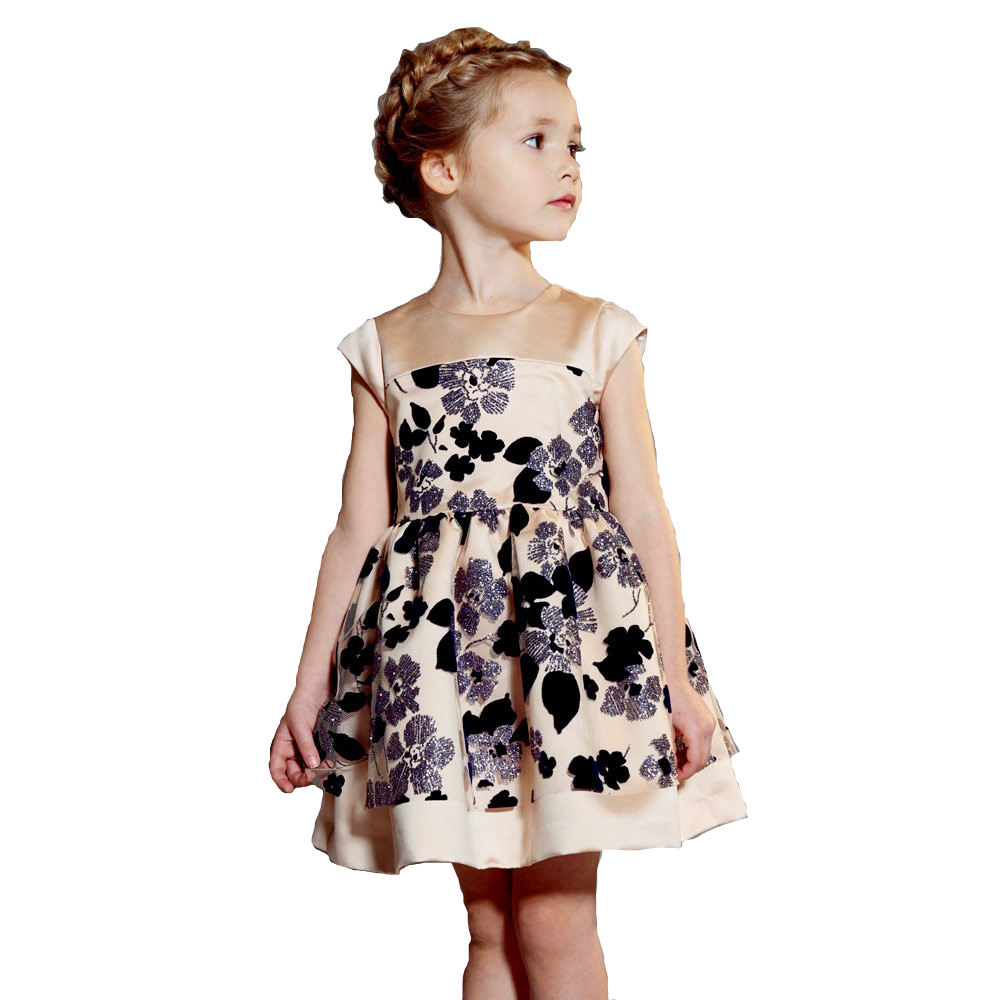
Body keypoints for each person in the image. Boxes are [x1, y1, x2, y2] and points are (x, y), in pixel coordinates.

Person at [269, 26, 747, 999]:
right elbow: (357, 527)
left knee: (552, 918)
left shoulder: (596, 331)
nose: (569, 163)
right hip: (445, 663)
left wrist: (677, 681)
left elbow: (642, 512)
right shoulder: (385, 347)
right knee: (487, 925)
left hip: (575, 655)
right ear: (443, 168)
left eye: (575, 143)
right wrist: (307, 685)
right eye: (535, 140)